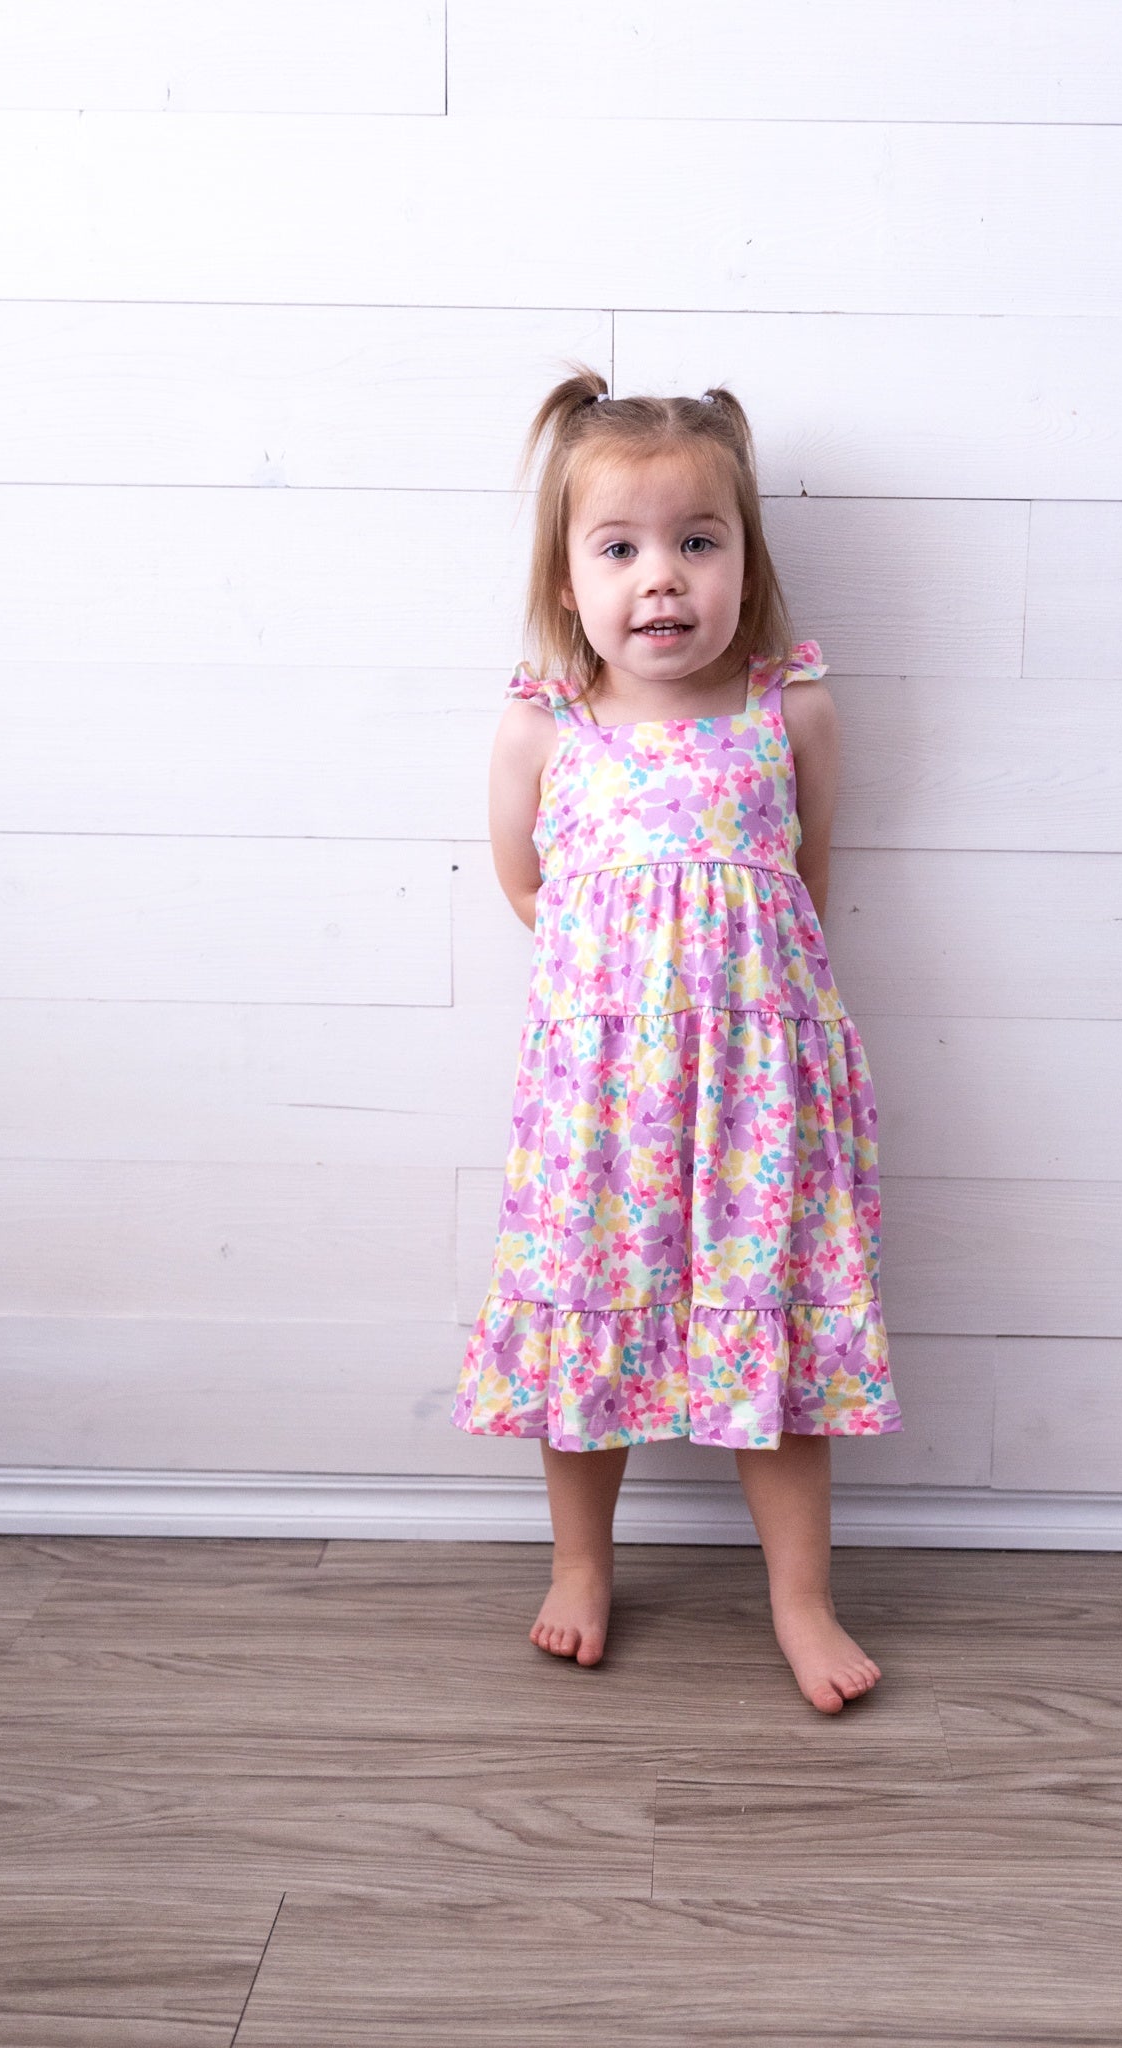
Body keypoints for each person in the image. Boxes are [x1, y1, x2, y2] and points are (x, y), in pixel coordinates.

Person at [451, 362, 903, 1713]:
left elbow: (806, 881)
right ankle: (580, 1564)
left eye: (699, 543)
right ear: (567, 577)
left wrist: (733, 1001)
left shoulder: (788, 709)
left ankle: (801, 1597)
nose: (663, 578)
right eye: (621, 549)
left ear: (747, 564)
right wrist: (629, 1000)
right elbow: (529, 886)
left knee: (779, 1337)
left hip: (762, 1094)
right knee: (584, 1326)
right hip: (603, 1100)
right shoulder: (545, 726)